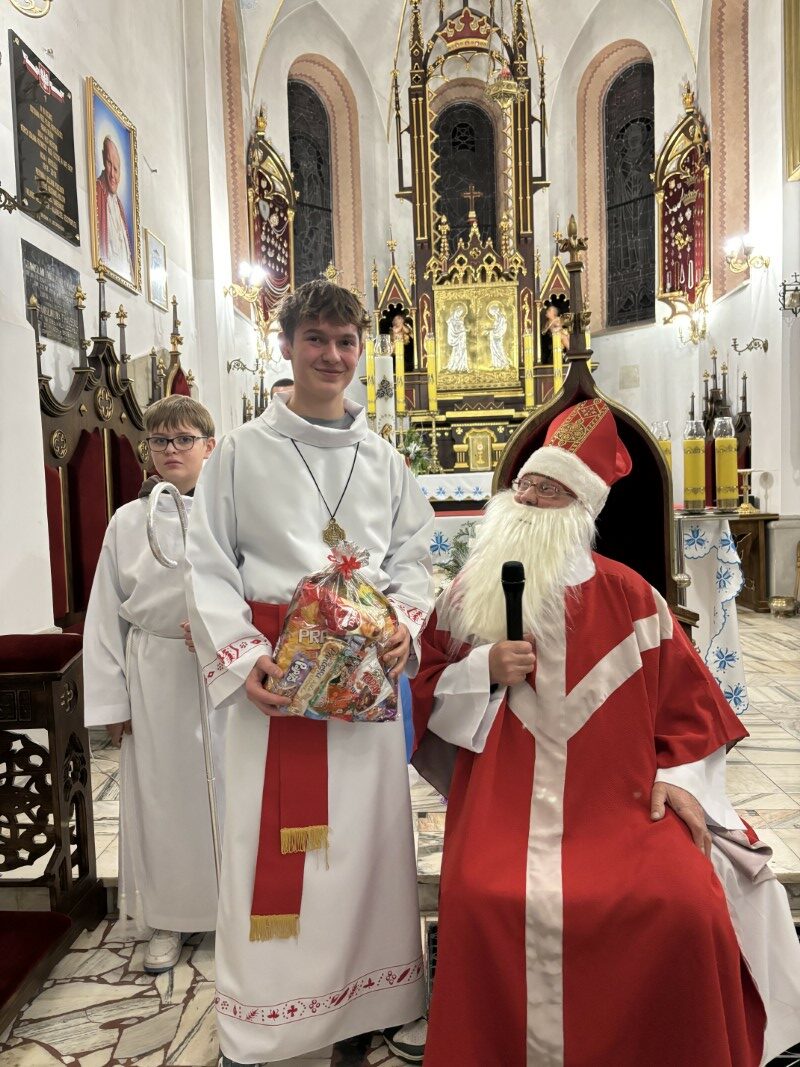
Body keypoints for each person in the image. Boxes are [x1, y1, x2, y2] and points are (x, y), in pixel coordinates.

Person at [411, 398, 800, 1067]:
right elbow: (421, 694)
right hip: (503, 808)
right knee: (483, 896)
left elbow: (692, 715)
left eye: (551, 490)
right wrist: (481, 670)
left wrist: (681, 780)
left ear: (580, 511)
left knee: (685, 902)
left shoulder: (634, 597)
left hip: (621, 805)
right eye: (526, 485)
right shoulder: (469, 596)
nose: (529, 500)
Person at [185, 279, 435, 1065]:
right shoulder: (239, 453)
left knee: (366, 846)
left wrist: (402, 626)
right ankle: (270, 1016)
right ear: (287, 345)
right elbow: (207, 563)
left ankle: (370, 1002)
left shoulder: (383, 459)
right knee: (274, 848)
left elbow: (416, 558)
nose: (332, 354)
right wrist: (242, 655)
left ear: (362, 350)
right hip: (278, 683)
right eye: (317, 339)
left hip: (363, 687)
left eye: (346, 341)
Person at [83, 395, 220, 972]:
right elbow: (104, 612)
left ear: (210, 446)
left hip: (224, 670)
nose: (171, 450)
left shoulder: (230, 510)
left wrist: (223, 631)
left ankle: (231, 911)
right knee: (164, 797)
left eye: (184, 439)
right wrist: (113, 700)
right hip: (156, 671)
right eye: (160, 440)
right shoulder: (126, 521)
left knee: (227, 793)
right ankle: (168, 916)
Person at [95, 134, 134, 280]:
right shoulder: (97, 191)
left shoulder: (120, 207)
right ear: (103, 161)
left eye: (116, 169)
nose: (112, 174)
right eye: (109, 163)